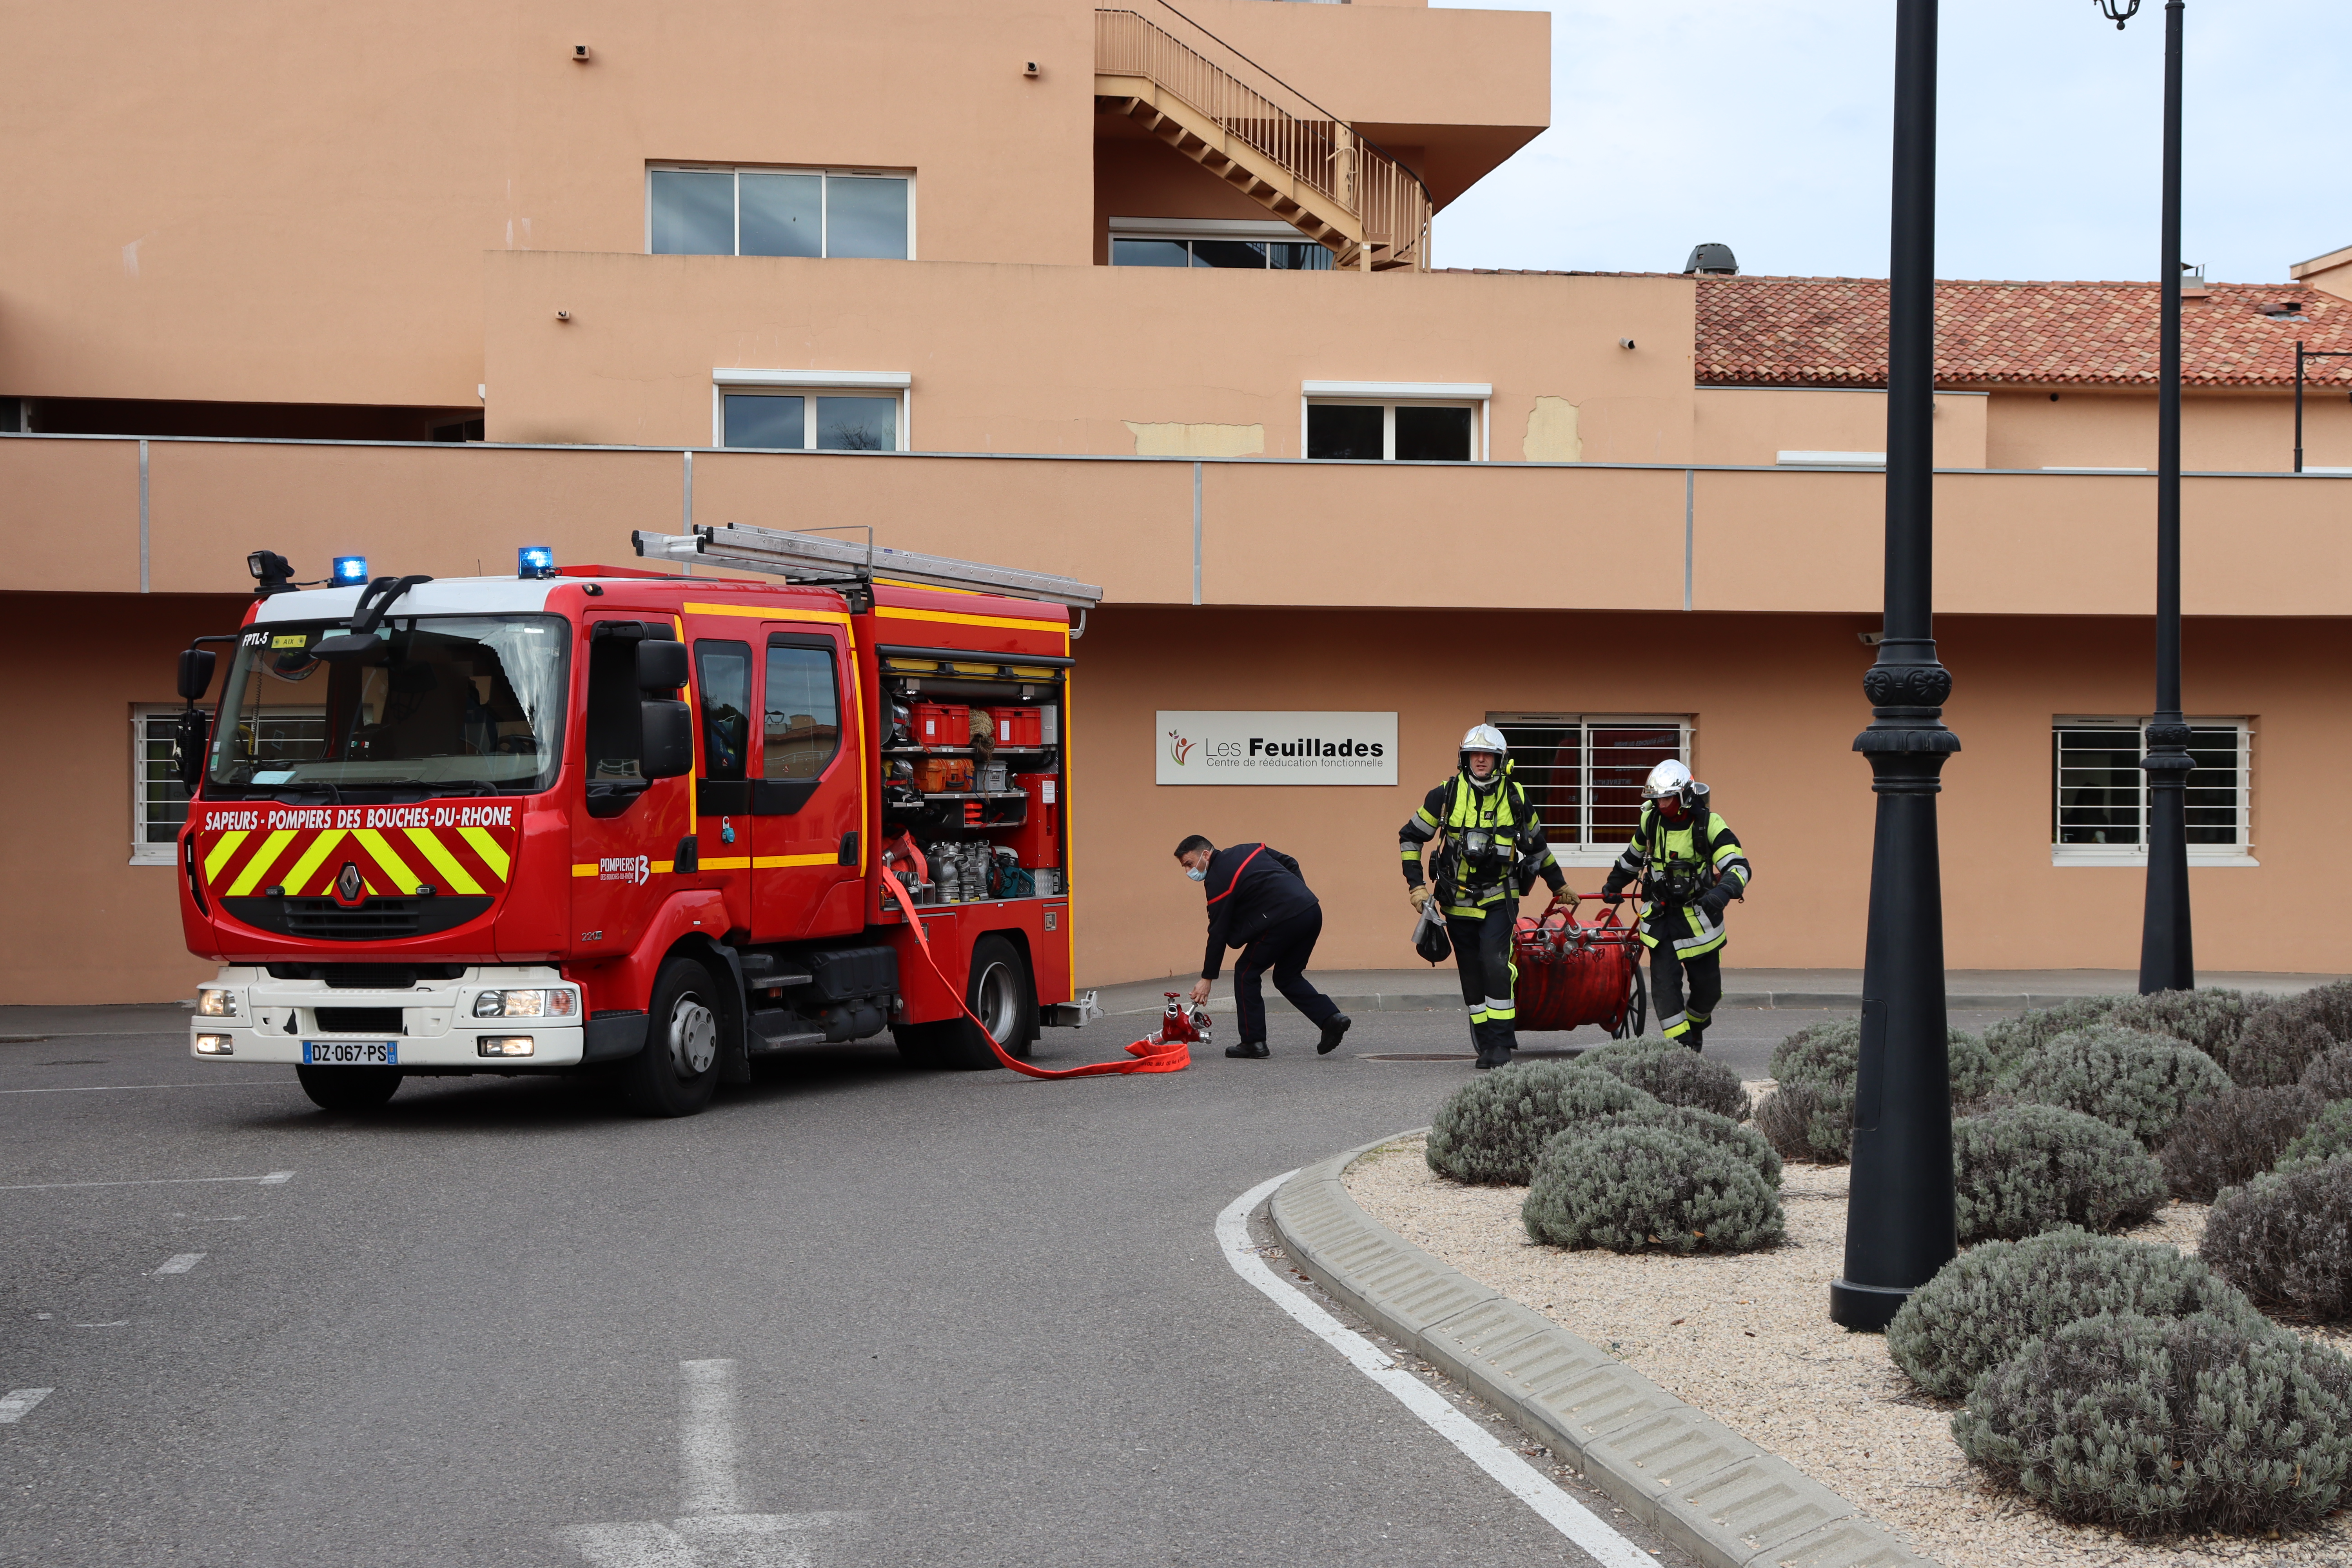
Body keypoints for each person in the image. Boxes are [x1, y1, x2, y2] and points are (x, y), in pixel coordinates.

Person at [1398, 726, 1569, 1069]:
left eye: (1487, 755)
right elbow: (1410, 838)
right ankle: (1485, 1041)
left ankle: (1503, 1043)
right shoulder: (1445, 795)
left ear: (1499, 760)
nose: (1480, 759)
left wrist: (1559, 885)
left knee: (1494, 963)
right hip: (1456, 901)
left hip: (1499, 899)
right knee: (1471, 973)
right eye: (1473, 754)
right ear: (1464, 758)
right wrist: (1415, 885)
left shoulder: (1517, 797)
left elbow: (1537, 848)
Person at [1599, 758, 1752, 1052]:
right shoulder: (1651, 820)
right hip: (1661, 920)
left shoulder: (1710, 823)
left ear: (1684, 796)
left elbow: (1738, 865)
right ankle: (1682, 1049)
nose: (1661, 804)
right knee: (1665, 991)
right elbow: (1632, 858)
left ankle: (1695, 1026)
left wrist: (1724, 892)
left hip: (1699, 921)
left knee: (1709, 993)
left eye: (1667, 798)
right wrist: (1613, 884)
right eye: (1657, 798)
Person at [1175, 835, 1350, 1059]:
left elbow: (1218, 932)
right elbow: (1291, 862)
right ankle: (1331, 1019)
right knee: (1288, 976)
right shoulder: (1250, 849)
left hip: (1284, 920)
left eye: (1190, 864)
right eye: (1185, 867)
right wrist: (1298, 897)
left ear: (1206, 855)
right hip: (1311, 911)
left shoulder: (1218, 880)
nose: (1189, 871)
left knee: (1245, 972)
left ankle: (1253, 1042)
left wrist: (1207, 978)